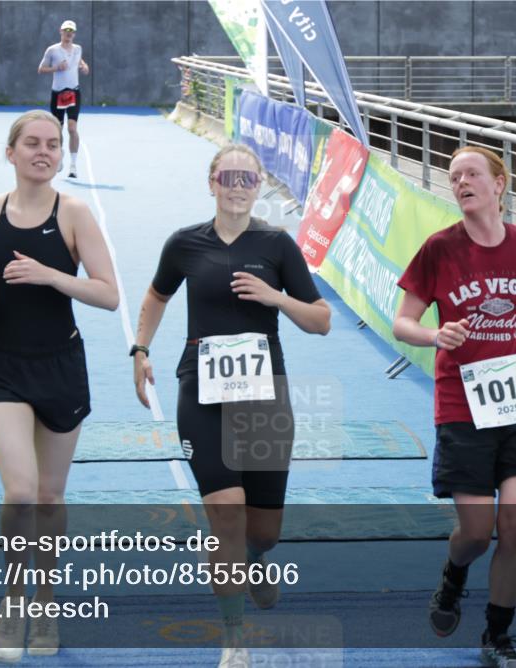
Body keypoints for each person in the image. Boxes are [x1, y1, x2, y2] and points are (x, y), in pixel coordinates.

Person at [391, 146, 516, 668]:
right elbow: (403, 322)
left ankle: (497, 637)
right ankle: (454, 576)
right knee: (478, 533)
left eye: (472, 174)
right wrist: (436, 334)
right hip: (462, 405)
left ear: (499, 183)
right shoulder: (439, 249)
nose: (461, 182)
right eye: (454, 176)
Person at [133, 144, 331, 668]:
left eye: (249, 177)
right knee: (225, 512)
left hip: (264, 395)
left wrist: (277, 298)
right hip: (200, 387)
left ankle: (258, 559)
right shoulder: (185, 243)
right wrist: (141, 348)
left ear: (259, 184)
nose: (238, 185)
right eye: (229, 176)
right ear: (212, 182)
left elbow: (321, 319)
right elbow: (156, 296)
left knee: (262, 531)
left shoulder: (277, 244)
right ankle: (233, 638)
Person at [0, 109, 119, 663]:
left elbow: (108, 294)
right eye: (32, 143)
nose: (44, 151)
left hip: (59, 365)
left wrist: (51, 276)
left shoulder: (74, 214)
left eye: (52, 143)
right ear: (11, 152)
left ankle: (45, 599)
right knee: (21, 491)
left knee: (49, 496)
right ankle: (13, 599)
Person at [37, 20, 90, 178]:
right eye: (66, 30)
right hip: (58, 93)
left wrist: (84, 67)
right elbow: (41, 69)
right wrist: (56, 68)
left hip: (73, 92)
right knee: (56, 130)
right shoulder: (52, 50)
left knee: (72, 128)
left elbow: (81, 62)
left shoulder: (78, 49)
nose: (68, 33)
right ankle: (59, 154)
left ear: (74, 33)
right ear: (60, 31)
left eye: (71, 31)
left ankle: (73, 165)